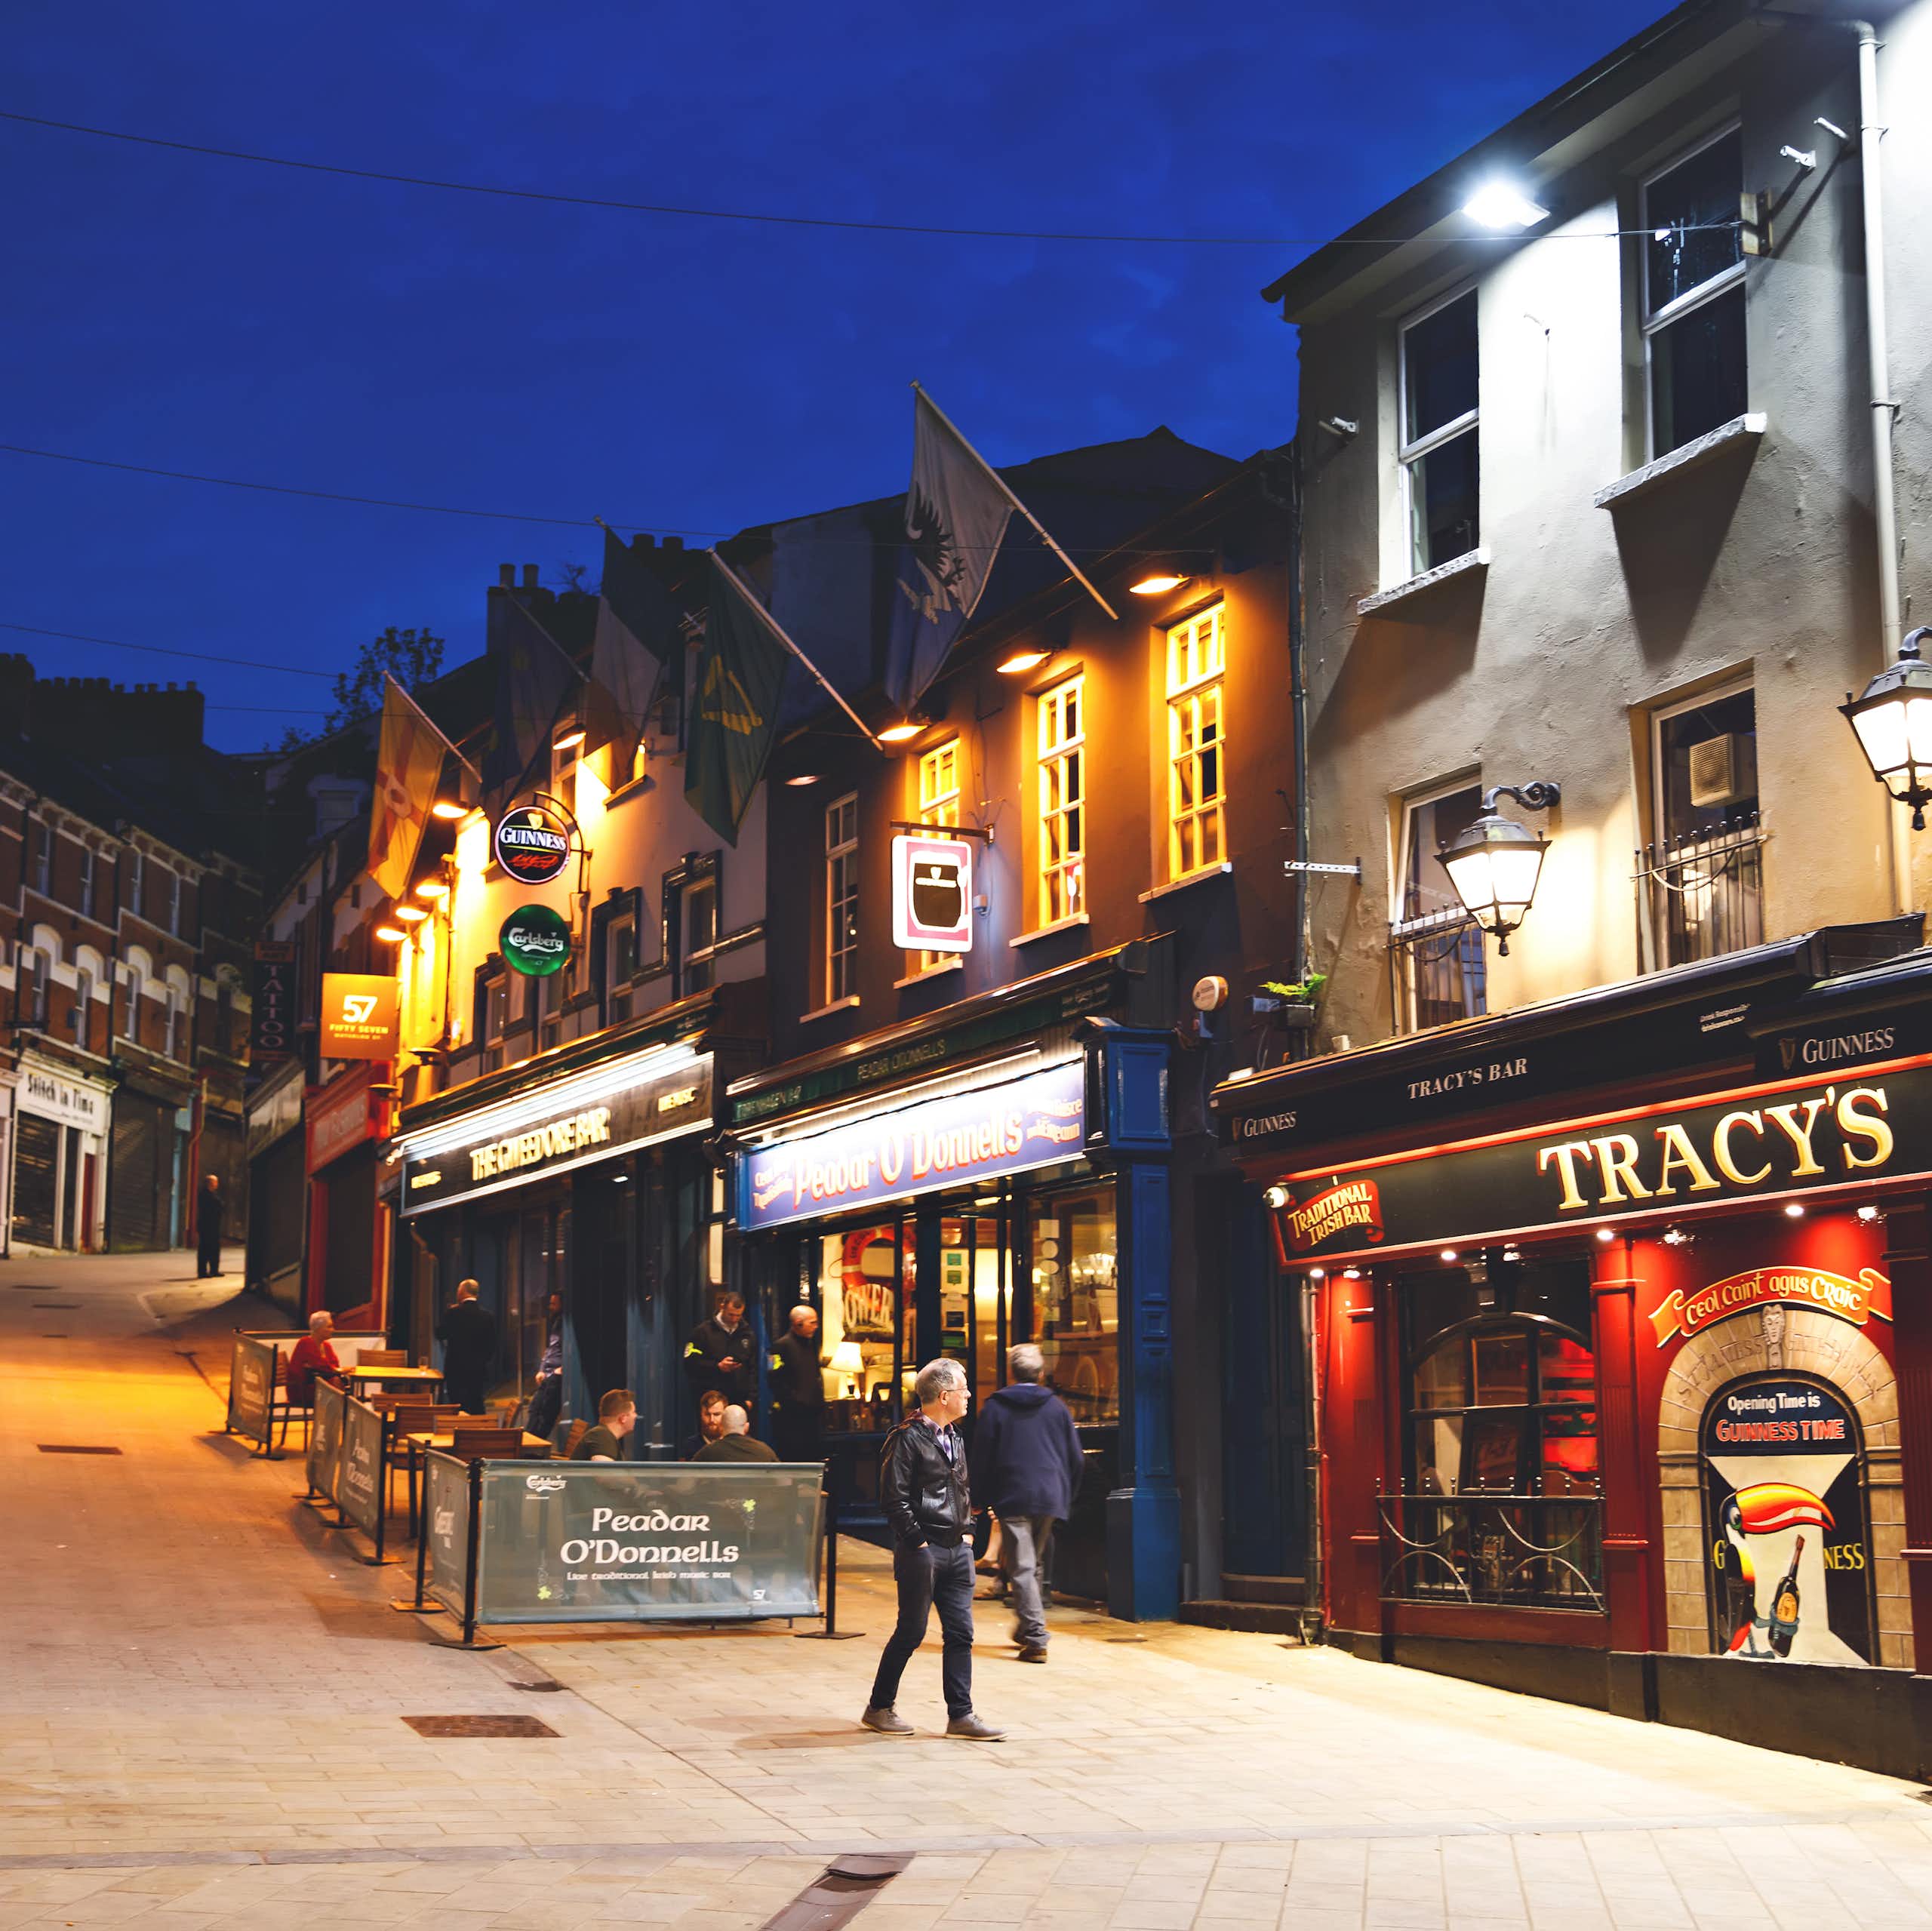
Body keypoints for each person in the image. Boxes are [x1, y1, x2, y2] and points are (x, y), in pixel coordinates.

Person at [861, 1358, 1003, 1741]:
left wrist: (970, 1534)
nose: (970, 1395)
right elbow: (893, 1499)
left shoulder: (954, 1436)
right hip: (923, 1552)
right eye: (964, 1390)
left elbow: (963, 1491)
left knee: (961, 1633)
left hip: (958, 1550)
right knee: (911, 1631)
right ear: (944, 1396)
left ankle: (961, 1716)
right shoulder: (906, 1438)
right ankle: (878, 1707)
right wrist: (919, 1543)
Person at [968, 1343, 1086, 1663]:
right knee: (1030, 1564)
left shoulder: (995, 1407)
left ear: (1010, 1373)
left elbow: (982, 1457)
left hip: (1013, 1494)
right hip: (1049, 1495)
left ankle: (1036, 1638)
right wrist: (1067, 1495)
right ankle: (1026, 1627)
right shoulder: (1058, 1408)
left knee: (1021, 1565)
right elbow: (1076, 1459)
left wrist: (977, 1498)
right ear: (1042, 1373)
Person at [770, 1303, 825, 1462]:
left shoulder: (811, 1345)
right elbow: (774, 1380)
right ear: (798, 1323)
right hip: (792, 1421)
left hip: (812, 1418)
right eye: (812, 1323)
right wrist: (795, 1402)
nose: (816, 1327)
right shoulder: (780, 1347)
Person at [683, 1290, 755, 1407]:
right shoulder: (703, 1332)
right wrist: (717, 1366)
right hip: (711, 1399)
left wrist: (751, 1398)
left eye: (738, 1315)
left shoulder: (747, 1333)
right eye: (730, 1314)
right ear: (723, 1307)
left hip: (739, 1401)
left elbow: (753, 1367)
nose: (734, 1319)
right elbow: (690, 1363)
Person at [436, 1279, 498, 1416]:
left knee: (457, 1406)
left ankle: (458, 1433)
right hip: (478, 1370)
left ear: (462, 1292)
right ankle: (477, 1433)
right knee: (476, 1404)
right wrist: (482, 1361)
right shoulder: (487, 1316)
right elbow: (492, 1346)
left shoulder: (453, 1313)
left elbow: (440, 1334)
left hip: (455, 1369)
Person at [527, 1292, 566, 1441]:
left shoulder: (565, 1324)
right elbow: (550, 1349)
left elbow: (567, 1350)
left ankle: (534, 1449)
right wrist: (542, 1369)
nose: (550, 1307)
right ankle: (528, 1443)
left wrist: (559, 1371)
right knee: (534, 1409)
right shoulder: (556, 1322)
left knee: (545, 1414)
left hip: (556, 1376)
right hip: (548, 1374)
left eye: (554, 1304)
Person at [285, 1310, 342, 1407]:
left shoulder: (326, 1346)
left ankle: (337, 1417)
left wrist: (337, 1370)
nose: (333, 1330)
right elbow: (322, 1366)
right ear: (318, 1329)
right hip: (302, 1388)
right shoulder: (305, 1343)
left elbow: (334, 1365)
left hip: (318, 1385)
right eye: (329, 1327)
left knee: (343, 1382)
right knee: (337, 1383)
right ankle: (338, 1417)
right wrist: (338, 1370)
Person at [571, 1388, 636, 1462]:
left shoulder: (604, 1435)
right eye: (633, 1412)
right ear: (623, 1418)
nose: (636, 1416)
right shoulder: (601, 1436)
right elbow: (604, 1472)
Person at [694, 1404, 779, 1462]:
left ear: (722, 1426)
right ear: (747, 1427)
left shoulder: (707, 1453)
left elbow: (687, 1483)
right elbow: (783, 1482)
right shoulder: (765, 1451)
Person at [678, 1390, 728, 1461]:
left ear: (725, 1415)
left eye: (717, 1414)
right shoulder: (689, 1446)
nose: (712, 1420)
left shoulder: (733, 1445)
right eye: (707, 1415)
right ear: (701, 1415)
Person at [195, 1174, 226, 1279]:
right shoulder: (205, 1195)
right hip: (207, 1226)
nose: (217, 1184)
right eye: (215, 1182)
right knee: (205, 1248)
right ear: (210, 1183)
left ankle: (214, 1270)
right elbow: (215, 1207)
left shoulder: (211, 1195)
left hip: (213, 1225)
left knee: (214, 1248)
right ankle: (203, 1271)